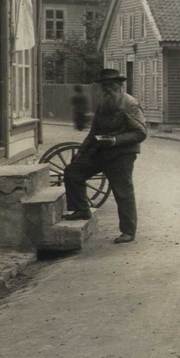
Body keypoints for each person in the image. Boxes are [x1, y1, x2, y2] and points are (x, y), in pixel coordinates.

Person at [62, 68, 148, 244]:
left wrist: (115, 140)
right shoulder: (103, 104)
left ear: (119, 86)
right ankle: (81, 209)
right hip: (101, 151)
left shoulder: (130, 104)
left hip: (122, 154)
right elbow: (94, 131)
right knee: (73, 172)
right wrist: (81, 152)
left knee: (122, 191)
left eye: (111, 85)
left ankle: (128, 231)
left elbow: (140, 133)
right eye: (104, 86)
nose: (107, 89)